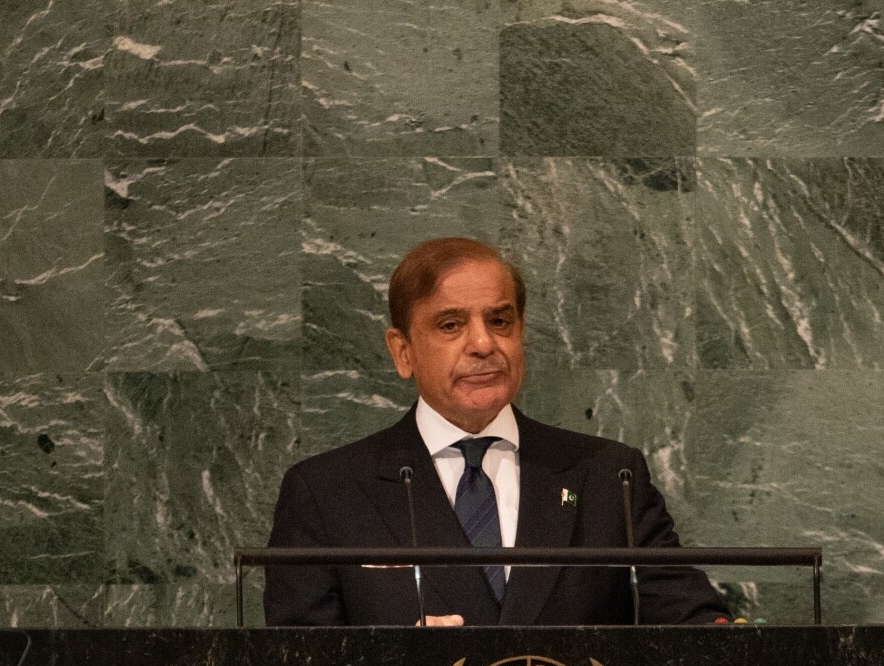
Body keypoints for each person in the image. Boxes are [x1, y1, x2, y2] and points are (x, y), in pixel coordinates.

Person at [264, 237, 729, 627]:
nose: (484, 344)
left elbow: (692, 623)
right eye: (451, 325)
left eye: (500, 321)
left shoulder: (609, 477)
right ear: (402, 351)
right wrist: (387, 661)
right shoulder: (326, 493)